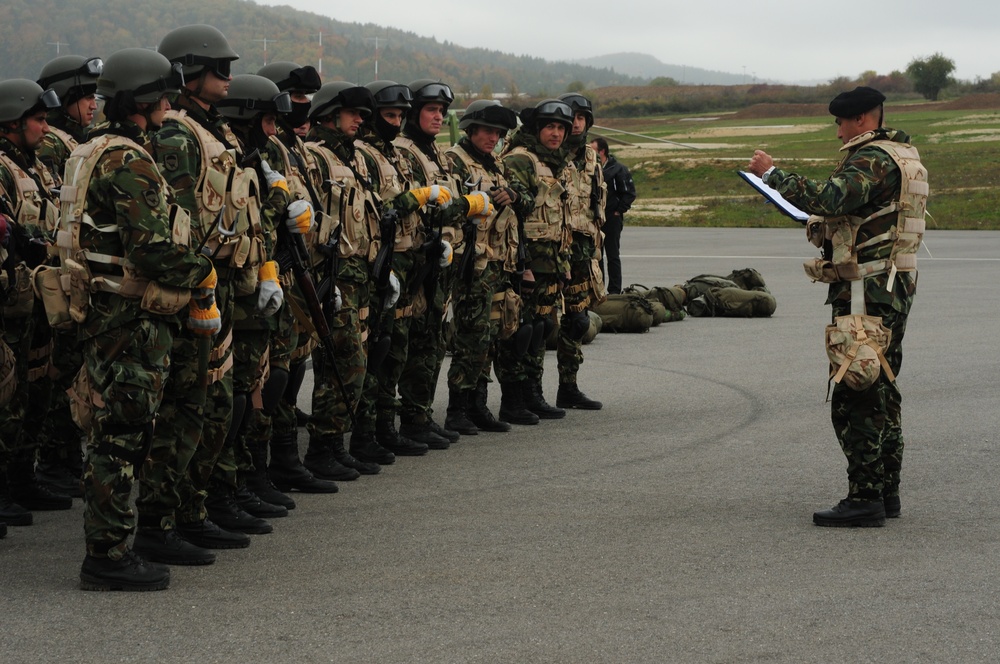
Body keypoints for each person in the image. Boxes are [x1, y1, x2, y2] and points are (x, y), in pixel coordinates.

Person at [60, 47, 219, 589]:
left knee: (116, 430)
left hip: (106, 314)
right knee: (121, 437)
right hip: (128, 319)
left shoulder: (91, 149)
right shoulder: (127, 160)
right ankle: (105, 557)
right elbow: (152, 251)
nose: (171, 104)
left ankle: (114, 546)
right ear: (144, 99)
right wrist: (205, 265)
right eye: (164, 96)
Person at [747, 86, 926, 528]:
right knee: (881, 386)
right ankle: (885, 492)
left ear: (862, 119)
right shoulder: (902, 154)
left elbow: (830, 198)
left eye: (841, 123)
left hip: (869, 292)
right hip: (889, 287)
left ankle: (865, 498)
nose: (838, 132)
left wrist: (773, 175)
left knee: (855, 393)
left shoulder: (874, 159)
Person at [154, 24, 266, 549]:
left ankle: (198, 507)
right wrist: (199, 284)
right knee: (190, 404)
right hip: (193, 283)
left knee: (216, 401)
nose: (227, 77)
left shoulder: (214, 130)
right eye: (219, 69)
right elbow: (180, 220)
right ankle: (170, 518)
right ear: (187, 72)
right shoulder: (177, 133)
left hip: (220, 279)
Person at [33, 54, 103, 499]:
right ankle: (57, 460)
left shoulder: (73, 139)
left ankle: (62, 459)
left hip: (68, 265)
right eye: (86, 96)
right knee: (59, 366)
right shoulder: (56, 143)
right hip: (58, 269)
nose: (94, 104)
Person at [0, 78, 68, 529]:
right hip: (9, 301)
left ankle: (22, 477)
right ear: (13, 121)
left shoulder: (38, 167)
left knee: (34, 390)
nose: (46, 128)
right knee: (5, 392)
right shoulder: (2, 168)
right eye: (39, 120)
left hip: (37, 300)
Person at [442, 99, 524, 434]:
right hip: (469, 264)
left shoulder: (495, 165)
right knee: (470, 337)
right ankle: (457, 408)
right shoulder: (455, 162)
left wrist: (513, 196)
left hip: (496, 263)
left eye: (499, 133)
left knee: (489, 335)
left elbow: (523, 202)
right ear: (471, 129)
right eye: (488, 131)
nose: (493, 138)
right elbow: (446, 208)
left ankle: (477, 404)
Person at [496, 98, 576, 422]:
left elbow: (562, 218)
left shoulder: (556, 163)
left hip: (551, 261)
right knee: (520, 330)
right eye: (550, 127)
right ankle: (512, 400)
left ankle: (534, 393)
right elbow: (514, 213)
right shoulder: (521, 160)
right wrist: (523, 264)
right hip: (525, 261)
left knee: (540, 328)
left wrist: (565, 263)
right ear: (537, 129)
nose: (556, 133)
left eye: (561, 128)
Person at [555, 93, 605, 411]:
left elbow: (595, 207)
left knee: (577, 321)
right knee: (535, 324)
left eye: (581, 118)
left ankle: (568, 387)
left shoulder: (591, 159)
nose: (576, 122)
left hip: (583, 253)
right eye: (571, 117)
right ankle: (521, 394)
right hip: (550, 251)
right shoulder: (545, 155)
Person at [590, 136, 635, 296]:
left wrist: (619, 210)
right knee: (597, 256)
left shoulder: (618, 169)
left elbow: (629, 193)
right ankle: (599, 288)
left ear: (602, 151)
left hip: (612, 218)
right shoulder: (590, 169)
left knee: (612, 254)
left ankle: (615, 290)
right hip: (595, 219)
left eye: (593, 149)